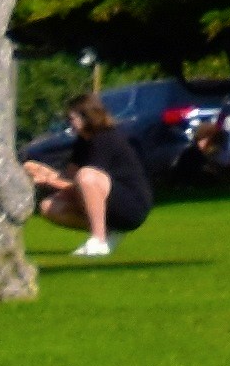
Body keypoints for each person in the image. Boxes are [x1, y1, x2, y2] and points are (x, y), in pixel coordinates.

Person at [28, 93, 157, 260]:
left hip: (131, 204)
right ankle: (110, 232)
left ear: (87, 116)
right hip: (107, 197)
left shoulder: (105, 138)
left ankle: (99, 240)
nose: (69, 123)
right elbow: (69, 177)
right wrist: (44, 171)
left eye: (71, 118)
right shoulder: (83, 141)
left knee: (86, 175)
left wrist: (48, 180)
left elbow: (84, 182)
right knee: (48, 206)